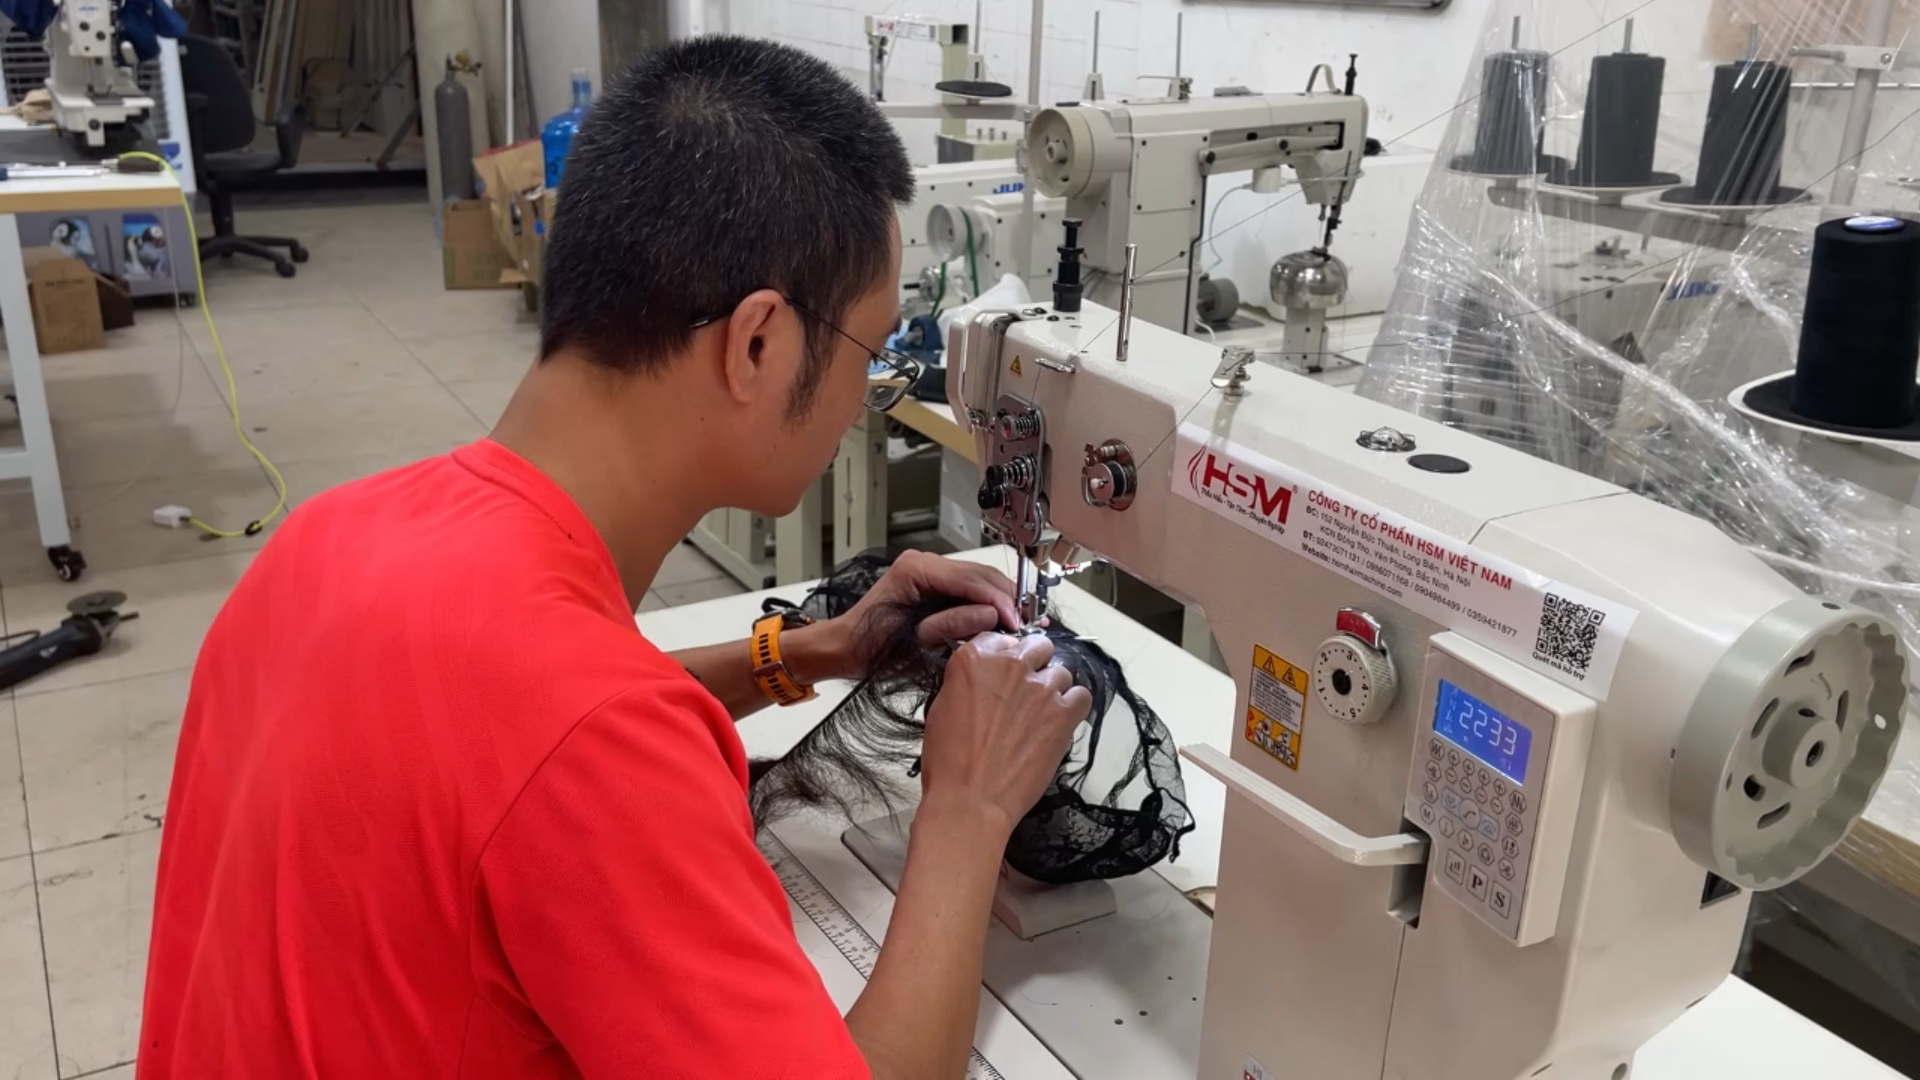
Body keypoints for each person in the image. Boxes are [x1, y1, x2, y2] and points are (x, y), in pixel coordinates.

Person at [139, 36, 1091, 1080]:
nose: (863, 398)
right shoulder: (592, 744)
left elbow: (507, 742)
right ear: (758, 344)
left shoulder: (330, 535)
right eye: (868, 355)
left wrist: (812, 652)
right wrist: (969, 804)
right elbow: (572, 744)